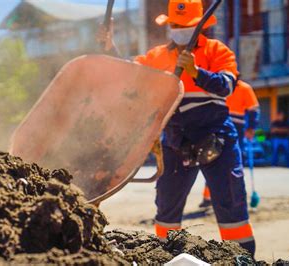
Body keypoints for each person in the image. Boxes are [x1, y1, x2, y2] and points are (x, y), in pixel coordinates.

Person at [97, 0, 255, 255]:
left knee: (231, 206)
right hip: (175, 141)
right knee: (167, 209)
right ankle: (166, 256)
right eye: (174, 24)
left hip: (216, 138)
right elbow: (130, 74)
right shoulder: (158, 56)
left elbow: (227, 86)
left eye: (184, 25)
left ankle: (242, 258)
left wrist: (196, 72)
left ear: (199, 26)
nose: (178, 29)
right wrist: (110, 47)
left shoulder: (217, 51)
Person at [199, 80, 259, 208]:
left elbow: (253, 109)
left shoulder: (241, 87)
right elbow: (253, 109)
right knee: (216, 162)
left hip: (232, 128)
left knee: (226, 163)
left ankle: (229, 197)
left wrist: (251, 128)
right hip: (219, 125)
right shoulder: (221, 84)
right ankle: (211, 197)